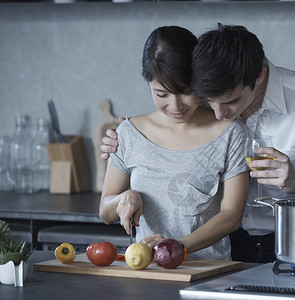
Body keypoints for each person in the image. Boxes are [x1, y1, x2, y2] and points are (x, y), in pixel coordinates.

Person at [101, 24, 295, 263]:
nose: (218, 115)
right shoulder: (199, 100)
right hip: (231, 247)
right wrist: (123, 138)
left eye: (231, 102)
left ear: (259, 77)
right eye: (209, 101)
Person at [99, 26, 249, 261]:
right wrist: (126, 197)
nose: (176, 106)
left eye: (186, 91)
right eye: (161, 94)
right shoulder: (129, 133)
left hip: (210, 273)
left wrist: (177, 246)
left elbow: (232, 215)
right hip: (148, 272)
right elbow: (106, 212)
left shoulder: (231, 133)